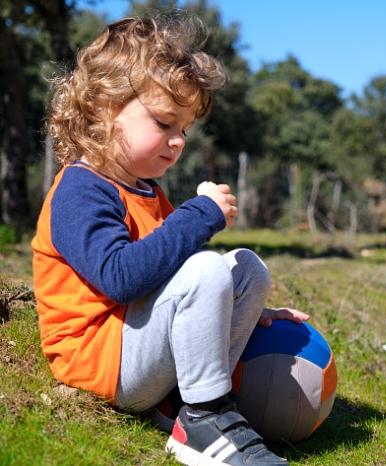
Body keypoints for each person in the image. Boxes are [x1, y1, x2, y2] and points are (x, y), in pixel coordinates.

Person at [31, 14, 309, 466]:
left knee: (246, 269)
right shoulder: (80, 190)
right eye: (164, 123)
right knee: (207, 267)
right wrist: (198, 216)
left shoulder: (145, 190)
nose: (178, 142)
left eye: (184, 129)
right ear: (104, 109)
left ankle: (180, 405)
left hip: (137, 350)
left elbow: (178, 283)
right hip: (101, 361)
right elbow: (122, 279)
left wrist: (245, 308)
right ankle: (205, 418)